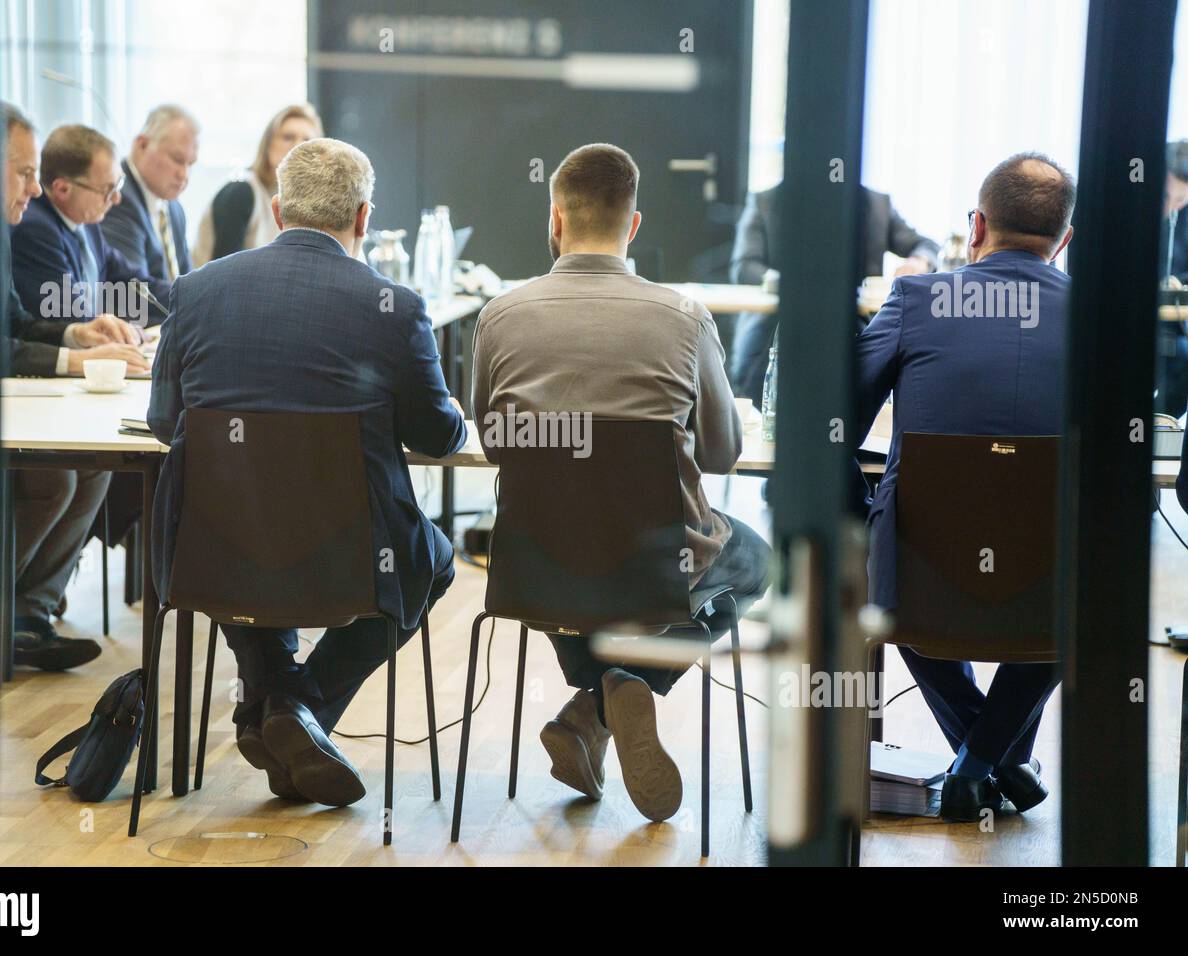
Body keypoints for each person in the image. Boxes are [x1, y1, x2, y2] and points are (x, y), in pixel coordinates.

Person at [148, 137, 466, 807]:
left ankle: (276, 702)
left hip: (211, 552)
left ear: (277, 209)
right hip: (352, 560)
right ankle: (301, 707)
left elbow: (160, 421)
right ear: (364, 218)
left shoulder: (197, 292)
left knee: (245, 529)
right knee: (433, 561)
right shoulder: (397, 309)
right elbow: (437, 437)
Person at [471, 143, 772, 824]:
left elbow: (494, 443)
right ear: (634, 226)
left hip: (533, 564)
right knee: (756, 560)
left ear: (555, 220)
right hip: (654, 566)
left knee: (577, 550)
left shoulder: (500, 315)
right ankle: (624, 687)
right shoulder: (684, 318)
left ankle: (592, 712)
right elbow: (723, 455)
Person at [856, 152, 1076, 822]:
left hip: (919, 583)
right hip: (1056, 586)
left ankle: (979, 763)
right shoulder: (1104, 320)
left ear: (976, 227)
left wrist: (866, 508)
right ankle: (992, 762)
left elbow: (837, 418)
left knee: (893, 543)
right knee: (1084, 579)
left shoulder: (917, 300)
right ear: (1063, 243)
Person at [0, 104, 141, 670]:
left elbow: (15, 324)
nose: (33, 189)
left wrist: (75, 332)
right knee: (55, 475)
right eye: (23, 173)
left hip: (12, 405)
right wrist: (76, 362)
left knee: (93, 465)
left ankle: (27, 618)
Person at [729, 183, 940, 399]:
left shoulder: (876, 203)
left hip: (854, 319)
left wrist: (918, 262)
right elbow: (744, 267)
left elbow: (926, 245)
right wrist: (792, 285)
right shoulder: (766, 200)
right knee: (754, 379)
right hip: (777, 320)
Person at [11, 124, 169, 327]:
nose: (117, 198)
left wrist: (187, 300)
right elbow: (73, 319)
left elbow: (134, 284)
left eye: (118, 184)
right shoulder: (35, 231)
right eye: (108, 190)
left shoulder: (86, 222)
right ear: (63, 189)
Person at [191, 103, 322, 265]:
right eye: (288, 137)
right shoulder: (241, 192)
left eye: (307, 141)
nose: (297, 147)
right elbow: (223, 273)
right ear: (268, 144)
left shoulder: (298, 203)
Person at [100, 104, 199, 286]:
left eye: (190, 164)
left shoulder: (174, 208)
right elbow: (134, 292)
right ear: (142, 145)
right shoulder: (117, 197)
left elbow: (189, 282)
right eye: (177, 160)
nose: (184, 175)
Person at [1157, 140, 1188, 416]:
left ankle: (1163, 423)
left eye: (1180, 200)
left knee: (1182, 353)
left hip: (1177, 323)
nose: (1172, 207)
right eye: (1167, 197)